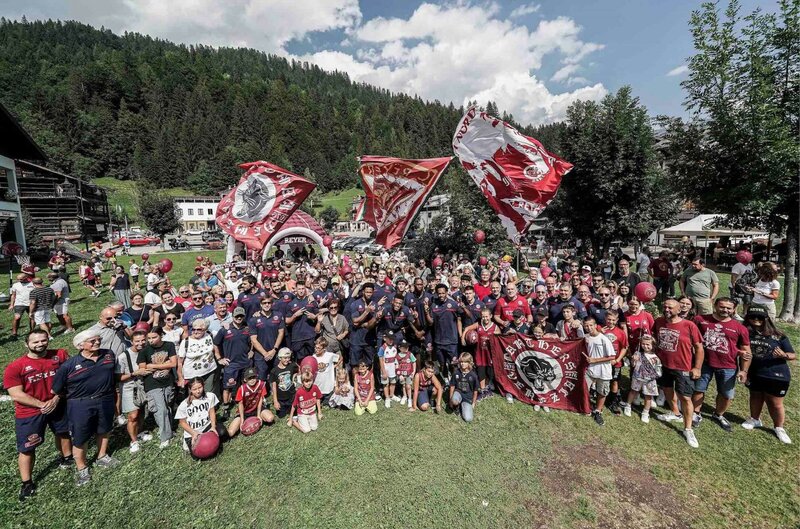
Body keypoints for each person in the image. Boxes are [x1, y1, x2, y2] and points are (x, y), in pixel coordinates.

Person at [3, 330, 72, 500]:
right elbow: (16, 394)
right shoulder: (15, 367)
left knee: (63, 432)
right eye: (35, 342)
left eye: (43, 340)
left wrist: (56, 398)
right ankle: (27, 483)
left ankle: (67, 458)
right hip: (30, 411)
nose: (40, 344)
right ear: (26, 344)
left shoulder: (60, 355)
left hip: (58, 404)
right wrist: (42, 404)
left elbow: (69, 379)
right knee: (28, 447)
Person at [51, 329, 120, 486]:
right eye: (92, 341)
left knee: (105, 429)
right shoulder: (69, 365)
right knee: (80, 436)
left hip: (105, 399)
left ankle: (101, 456)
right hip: (80, 403)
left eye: (98, 339)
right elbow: (56, 389)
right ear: (80, 345)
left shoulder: (108, 354)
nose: (97, 342)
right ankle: (82, 468)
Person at [691, 297, 751, 432]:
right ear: (715, 305)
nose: (725, 310)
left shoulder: (739, 328)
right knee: (699, 389)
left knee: (726, 394)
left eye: (729, 308)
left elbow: (746, 351)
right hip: (704, 363)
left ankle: (719, 414)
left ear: (734, 309)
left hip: (728, 365)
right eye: (722, 307)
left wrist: (744, 370)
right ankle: (696, 413)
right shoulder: (700, 320)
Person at [653, 299, 704, 448]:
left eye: (670, 307)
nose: (667, 309)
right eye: (665, 306)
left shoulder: (689, 325)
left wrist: (697, 368)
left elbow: (699, 348)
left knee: (685, 397)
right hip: (664, 365)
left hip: (683, 367)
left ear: (679, 309)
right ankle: (675, 413)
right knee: (667, 390)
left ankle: (688, 429)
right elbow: (656, 337)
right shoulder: (659, 321)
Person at [742, 305, 795, 444]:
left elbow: (792, 355)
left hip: (775, 374)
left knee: (775, 403)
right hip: (754, 373)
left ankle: (779, 427)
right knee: (755, 396)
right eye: (752, 316)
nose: (755, 320)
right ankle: (755, 419)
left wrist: (784, 355)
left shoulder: (778, 335)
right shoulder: (745, 332)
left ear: (766, 319)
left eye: (759, 317)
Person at [139, 327, 178, 447]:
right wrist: (164, 364)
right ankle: (165, 436)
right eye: (149, 338)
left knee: (167, 406)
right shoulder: (144, 351)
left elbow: (174, 363)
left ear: (161, 336)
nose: (151, 340)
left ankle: (169, 429)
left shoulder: (169, 345)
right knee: (161, 410)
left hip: (167, 381)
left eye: (154, 337)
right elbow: (143, 368)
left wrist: (154, 365)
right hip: (152, 384)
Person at [115, 330, 152, 453]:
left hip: (143, 384)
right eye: (137, 341)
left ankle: (140, 432)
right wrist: (134, 373)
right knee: (133, 415)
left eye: (143, 340)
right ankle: (133, 440)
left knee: (141, 410)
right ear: (131, 342)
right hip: (129, 386)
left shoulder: (147, 350)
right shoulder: (123, 356)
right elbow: (118, 377)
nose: (141, 343)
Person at [213, 306, 253, 409]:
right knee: (228, 387)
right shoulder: (224, 330)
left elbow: (252, 341)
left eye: (241, 316)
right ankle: (226, 406)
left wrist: (252, 350)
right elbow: (215, 344)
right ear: (233, 316)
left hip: (245, 363)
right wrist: (219, 358)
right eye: (237, 316)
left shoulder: (247, 329)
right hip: (231, 364)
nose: (239, 318)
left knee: (246, 384)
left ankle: (245, 402)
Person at [583, 317, 615, 426]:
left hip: (604, 371)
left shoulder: (604, 339)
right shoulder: (586, 338)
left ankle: (598, 411)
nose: (589, 328)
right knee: (584, 388)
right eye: (586, 325)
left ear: (596, 325)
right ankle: (586, 406)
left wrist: (595, 360)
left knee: (602, 392)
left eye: (591, 325)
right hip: (590, 369)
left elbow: (611, 356)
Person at [622, 335, 662, 422]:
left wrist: (652, 376)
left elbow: (658, 371)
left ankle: (645, 412)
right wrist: (633, 360)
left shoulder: (655, 357)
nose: (645, 346)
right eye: (643, 344)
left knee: (648, 396)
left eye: (648, 344)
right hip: (637, 377)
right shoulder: (638, 354)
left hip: (649, 380)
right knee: (633, 391)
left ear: (653, 345)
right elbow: (632, 365)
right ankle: (628, 406)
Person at [175, 377, 221, 453]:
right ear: (190, 389)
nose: (198, 391)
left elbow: (212, 412)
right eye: (194, 389)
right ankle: (186, 441)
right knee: (196, 453)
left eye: (200, 387)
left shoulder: (210, 396)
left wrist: (213, 426)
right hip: (192, 431)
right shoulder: (184, 405)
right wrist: (193, 433)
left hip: (207, 426)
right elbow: (182, 422)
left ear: (203, 385)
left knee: (222, 432)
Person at [226, 368, 275, 437]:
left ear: (256, 377)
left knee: (270, 418)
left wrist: (258, 415)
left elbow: (261, 400)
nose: (252, 380)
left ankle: (258, 417)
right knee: (231, 432)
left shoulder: (261, 384)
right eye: (249, 378)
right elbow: (240, 405)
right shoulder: (242, 389)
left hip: (257, 409)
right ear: (245, 380)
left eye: (253, 377)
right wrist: (242, 419)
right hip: (244, 412)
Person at [462, 306, 499, 396]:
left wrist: (497, 334)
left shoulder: (495, 327)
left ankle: (487, 385)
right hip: (479, 353)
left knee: (489, 372)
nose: (485, 318)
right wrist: (463, 338)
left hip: (489, 354)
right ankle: (482, 389)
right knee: (480, 371)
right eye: (483, 316)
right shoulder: (478, 324)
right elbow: (467, 329)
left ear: (490, 316)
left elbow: (500, 339)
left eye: (486, 316)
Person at [177, 319, 217, 394]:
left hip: (209, 371)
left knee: (209, 394)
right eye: (193, 329)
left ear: (205, 329)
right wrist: (180, 377)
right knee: (195, 395)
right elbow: (179, 362)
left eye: (199, 329)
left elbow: (215, 346)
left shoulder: (209, 335)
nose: (195, 332)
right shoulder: (186, 342)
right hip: (192, 375)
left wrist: (219, 357)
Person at [249, 297, 285, 381]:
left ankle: (276, 392)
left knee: (278, 376)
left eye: (269, 303)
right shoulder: (254, 319)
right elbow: (253, 339)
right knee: (261, 377)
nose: (267, 304)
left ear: (271, 304)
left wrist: (274, 349)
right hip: (260, 354)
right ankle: (262, 394)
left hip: (275, 351)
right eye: (264, 303)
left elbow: (281, 332)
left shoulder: (278, 315)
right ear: (261, 305)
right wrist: (265, 353)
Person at [449, 353, 479, 422]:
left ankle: (462, 405)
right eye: (461, 362)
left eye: (465, 362)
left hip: (467, 397)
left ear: (469, 363)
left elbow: (475, 390)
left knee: (468, 419)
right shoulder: (456, 372)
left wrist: (474, 403)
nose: (462, 364)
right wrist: (450, 399)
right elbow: (452, 386)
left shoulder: (473, 375)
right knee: (454, 400)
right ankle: (456, 406)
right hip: (458, 393)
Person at [269, 348, 298, 418]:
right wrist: (275, 401)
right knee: (281, 416)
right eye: (285, 358)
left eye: (288, 357)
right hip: (281, 398)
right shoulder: (274, 371)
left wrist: (294, 378)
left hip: (291, 395)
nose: (287, 360)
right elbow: (274, 387)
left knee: (294, 413)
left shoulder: (292, 365)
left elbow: (298, 370)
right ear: (279, 357)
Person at [311, 337, 341, 404]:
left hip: (328, 387)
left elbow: (340, 358)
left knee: (328, 403)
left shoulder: (329, 355)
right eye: (315, 347)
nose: (316, 350)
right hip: (317, 386)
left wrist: (334, 366)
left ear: (324, 348)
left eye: (318, 348)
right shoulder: (313, 357)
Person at [9, 273, 34, 340]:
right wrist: (11, 304)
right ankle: (14, 333)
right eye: (18, 279)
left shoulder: (32, 284)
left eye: (20, 279)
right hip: (19, 303)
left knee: (32, 317)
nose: (19, 280)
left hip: (30, 303)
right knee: (17, 318)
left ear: (26, 277)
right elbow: (13, 295)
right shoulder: (15, 285)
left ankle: (32, 331)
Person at [378, 331, 399, 407]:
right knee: (386, 384)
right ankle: (387, 398)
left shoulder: (395, 347)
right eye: (389, 338)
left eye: (392, 339)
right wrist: (383, 372)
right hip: (386, 370)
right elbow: (381, 360)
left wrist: (397, 366)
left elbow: (396, 357)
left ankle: (392, 395)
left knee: (393, 383)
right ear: (384, 338)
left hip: (393, 369)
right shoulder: (382, 348)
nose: (391, 340)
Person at [395, 339, 417, 408]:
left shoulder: (410, 354)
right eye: (404, 347)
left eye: (407, 346)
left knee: (408, 386)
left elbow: (414, 362)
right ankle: (404, 396)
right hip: (402, 374)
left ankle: (409, 398)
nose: (406, 348)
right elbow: (396, 365)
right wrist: (399, 375)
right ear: (399, 348)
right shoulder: (397, 356)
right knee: (403, 386)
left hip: (409, 374)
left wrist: (413, 372)